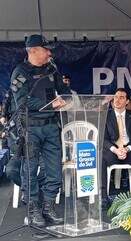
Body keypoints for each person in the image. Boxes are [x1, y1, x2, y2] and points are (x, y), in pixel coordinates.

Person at [10, 34, 70, 227]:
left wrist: (66, 94)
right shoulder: (20, 72)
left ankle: (49, 207)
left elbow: (63, 89)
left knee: (54, 170)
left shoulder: (51, 69)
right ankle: (34, 208)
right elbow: (22, 102)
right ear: (33, 51)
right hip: (31, 128)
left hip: (51, 127)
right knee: (29, 170)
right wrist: (52, 104)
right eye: (46, 49)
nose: (49, 53)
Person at [102, 88, 131, 196]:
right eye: (116, 97)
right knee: (101, 157)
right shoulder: (106, 116)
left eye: (121, 97)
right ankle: (102, 197)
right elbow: (103, 140)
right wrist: (116, 150)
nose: (117, 100)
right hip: (113, 151)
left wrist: (126, 149)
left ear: (127, 101)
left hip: (129, 150)